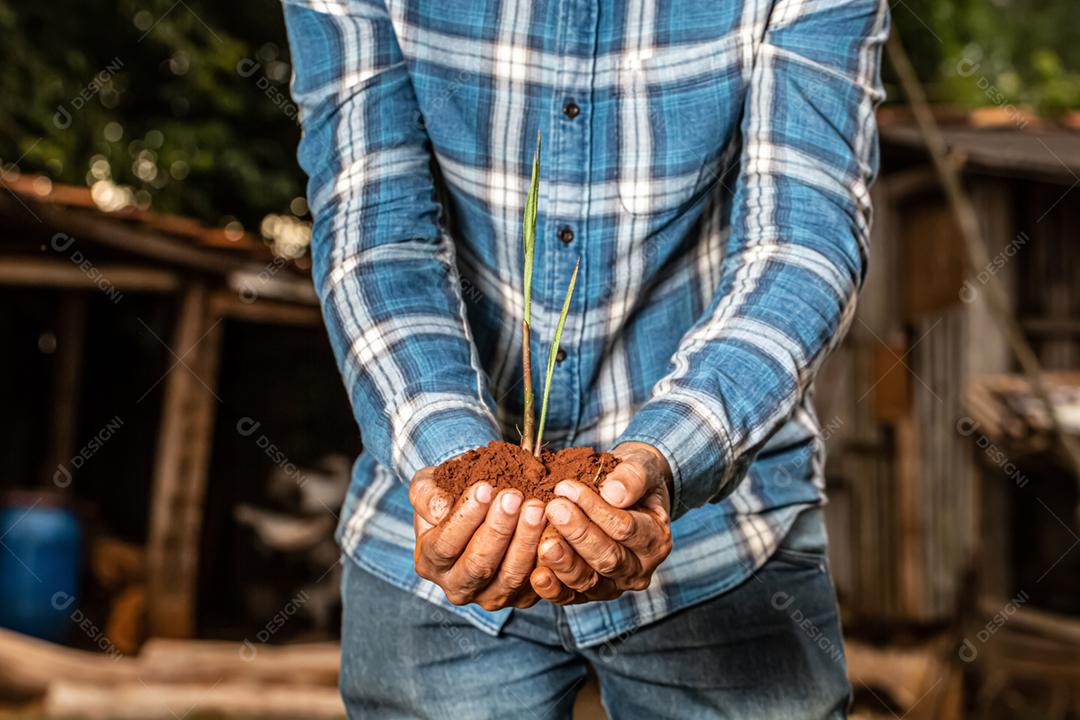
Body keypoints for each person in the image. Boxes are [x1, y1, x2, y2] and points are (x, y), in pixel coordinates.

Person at [283, 0, 888, 717]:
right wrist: (456, 472)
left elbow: (801, 244)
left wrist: (665, 459)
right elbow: (373, 234)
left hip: (726, 542)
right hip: (432, 558)